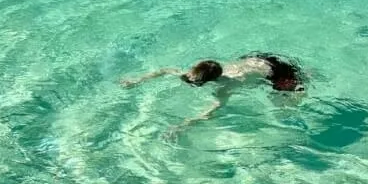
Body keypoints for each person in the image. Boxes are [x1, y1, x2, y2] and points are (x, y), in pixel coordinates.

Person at [122, 53, 306, 131]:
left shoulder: (227, 86)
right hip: (256, 59)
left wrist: (184, 125)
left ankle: (305, 78)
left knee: (285, 102)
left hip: (275, 71)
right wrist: (137, 80)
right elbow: (166, 70)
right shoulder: (211, 71)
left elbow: (213, 111)